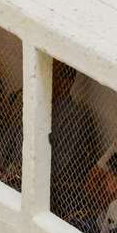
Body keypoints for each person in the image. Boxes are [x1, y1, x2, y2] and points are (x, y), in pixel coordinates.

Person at [49, 60, 97, 218]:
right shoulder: (38, 103)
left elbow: (63, 167)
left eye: (48, 74)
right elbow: (10, 136)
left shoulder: (74, 116)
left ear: (65, 84)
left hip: (47, 191)